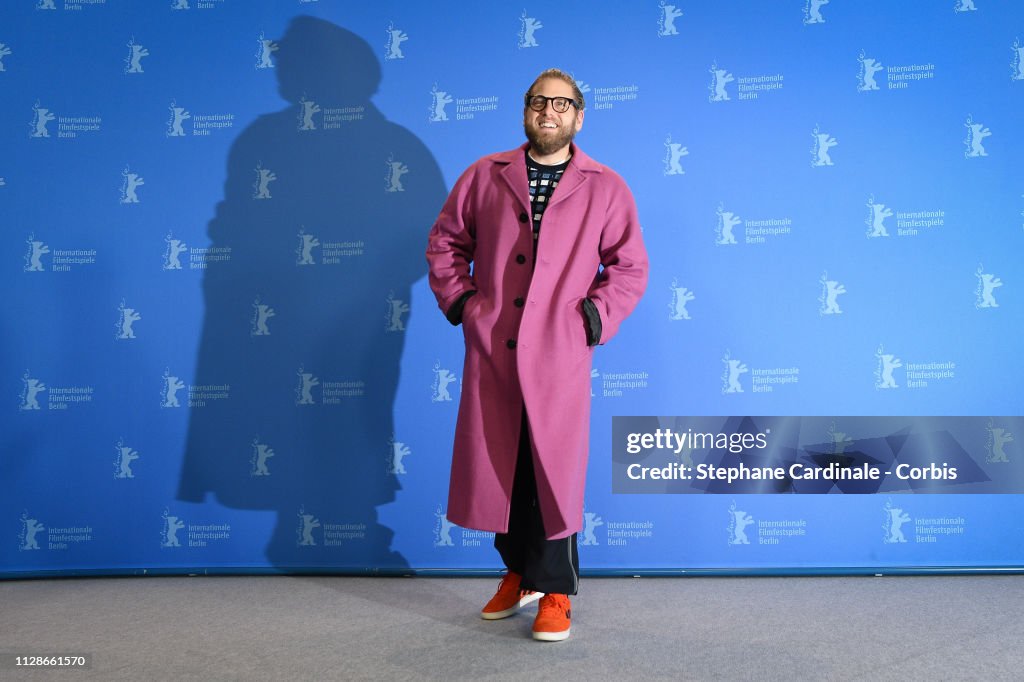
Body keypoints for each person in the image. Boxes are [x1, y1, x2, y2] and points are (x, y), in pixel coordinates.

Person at [426, 68, 648, 642]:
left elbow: (629, 266)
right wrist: (465, 304)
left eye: (561, 104)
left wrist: (592, 319)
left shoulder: (606, 186)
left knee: (554, 470)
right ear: (525, 111)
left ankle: (555, 590)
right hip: (496, 347)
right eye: (537, 102)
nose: (548, 112)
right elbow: (447, 243)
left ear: (580, 115)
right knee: (505, 464)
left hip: (559, 351)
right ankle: (519, 572)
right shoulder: (485, 174)